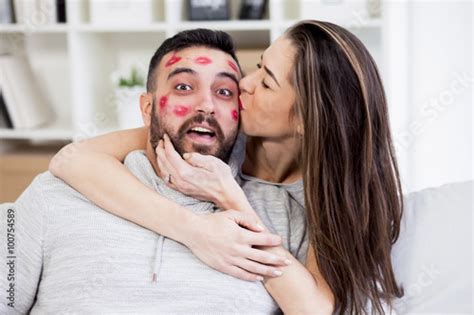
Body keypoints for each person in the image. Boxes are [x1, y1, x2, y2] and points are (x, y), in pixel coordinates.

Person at [50, 20, 404, 314]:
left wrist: (231, 198)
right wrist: (193, 230)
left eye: (266, 82)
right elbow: (72, 159)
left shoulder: (334, 199)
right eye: (260, 66)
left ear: (305, 120)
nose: (243, 85)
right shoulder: (217, 134)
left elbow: (315, 309)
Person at [1, 29, 331, 314]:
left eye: (224, 92)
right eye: (184, 87)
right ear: (147, 108)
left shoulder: (284, 222)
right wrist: (194, 230)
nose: (206, 105)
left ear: (239, 116)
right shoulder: (56, 194)